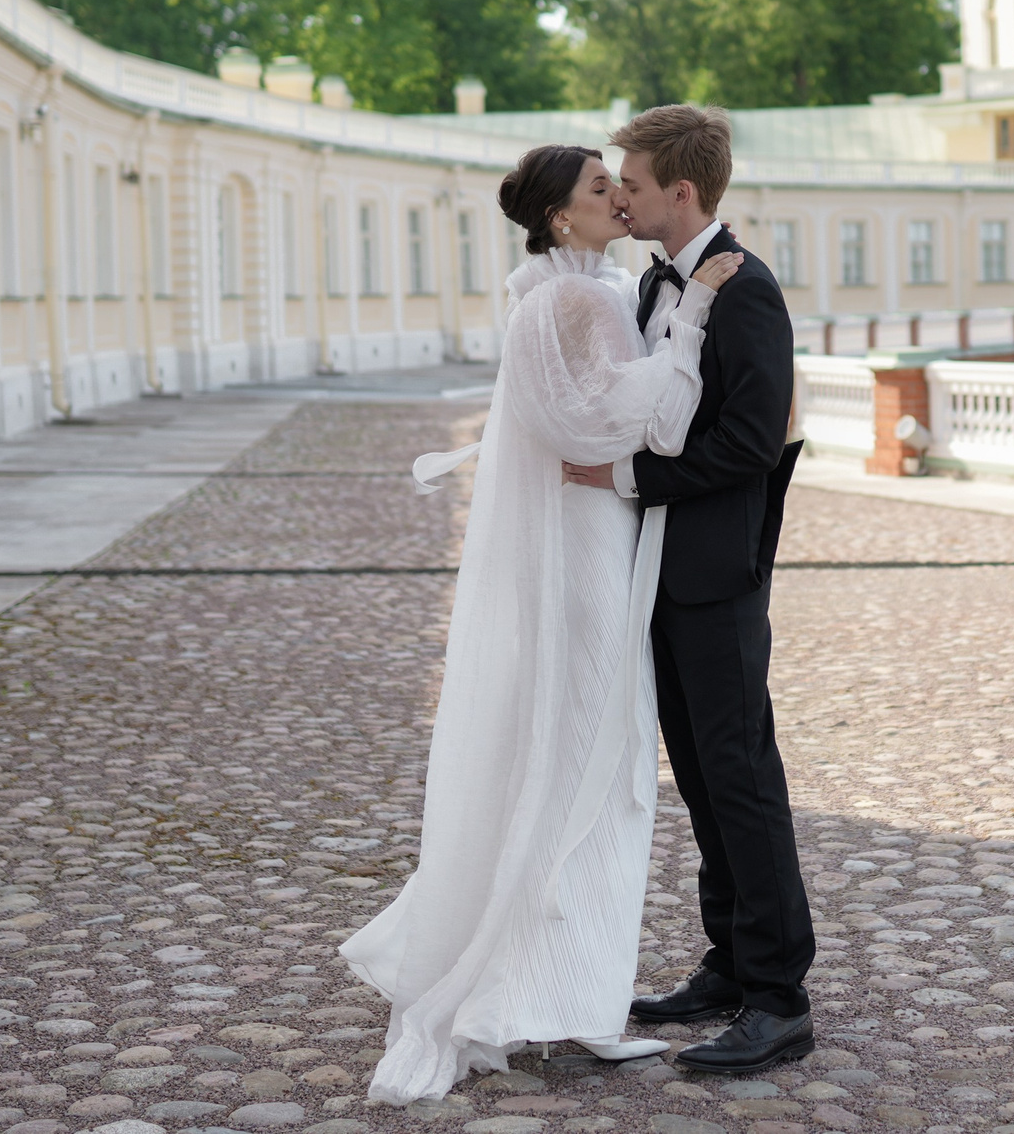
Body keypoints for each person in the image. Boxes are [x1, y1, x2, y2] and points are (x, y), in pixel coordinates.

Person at [342, 143, 745, 1105]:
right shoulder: (579, 300)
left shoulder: (554, 294)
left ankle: (562, 981)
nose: (619, 196)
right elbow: (632, 426)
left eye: (621, 181)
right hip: (587, 554)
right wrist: (690, 319)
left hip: (575, 543)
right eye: (600, 188)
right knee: (595, 767)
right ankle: (573, 998)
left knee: (569, 760)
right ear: (562, 217)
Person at [562, 104, 815, 1075]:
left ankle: (779, 996)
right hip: (657, 569)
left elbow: (753, 444)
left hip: (712, 571)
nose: (617, 192)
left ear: (681, 190)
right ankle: (728, 961)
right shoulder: (651, 284)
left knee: (740, 775)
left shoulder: (746, 291)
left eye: (630, 180)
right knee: (702, 777)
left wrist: (626, 482)